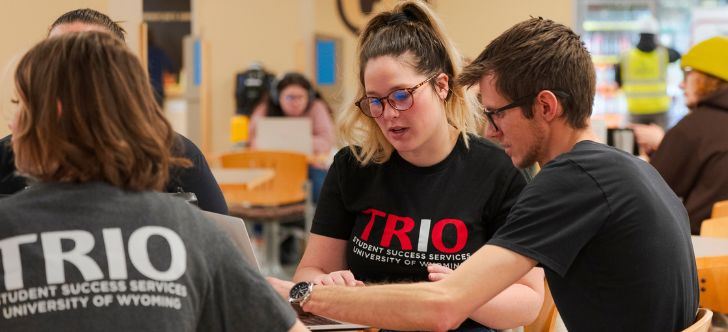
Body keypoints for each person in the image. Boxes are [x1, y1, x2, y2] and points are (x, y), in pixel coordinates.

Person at [288, 17, 698, 332]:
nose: (489, 130)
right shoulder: (623, 170)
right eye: (375, 102)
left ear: (545, 107)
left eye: (496, 113)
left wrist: (308, 296)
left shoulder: (568, 181)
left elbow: (445, 306)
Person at [0, 31, 305, 332]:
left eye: (20, 104)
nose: (12, 122)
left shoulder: (7, 227)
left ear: (53, 114)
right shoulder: (186, 227)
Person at [288, 2, 542, 331]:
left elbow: (527, 301)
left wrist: (461, 294)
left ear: (441, 85)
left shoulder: (499, 170)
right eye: (375, 101)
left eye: (401, 95)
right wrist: (326, 283)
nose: (389, 114)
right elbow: (305, 277)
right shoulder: (353, 166)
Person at [0, 8, 228, 215]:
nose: (66, 73)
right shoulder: (10, 153)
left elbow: (224, 249)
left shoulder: (176, 156)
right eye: (54, 58)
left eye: (86, 61)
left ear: (117, 73)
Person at [641, 36, 728, 234]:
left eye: (687, 73)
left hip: (704, 253)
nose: (681, 84)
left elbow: (646, 196)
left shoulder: (692, 128)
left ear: (707, 77)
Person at [248, 72, 336, 204]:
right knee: (257, 188)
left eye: (301, 97)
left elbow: (326, 142)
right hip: (273, 167)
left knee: (322, 185)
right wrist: (299, 143)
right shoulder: (265, 109)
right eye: (290, 97)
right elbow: (253, 142)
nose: (296, 102)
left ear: (309, 97)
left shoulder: (317, 107)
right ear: (278, 97)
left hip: (309, 166)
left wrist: (281, 142)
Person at [615, 15, 680, 129]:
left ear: (638, 34)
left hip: (635, 109)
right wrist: (659, 44)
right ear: (655, 35)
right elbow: (678, 54)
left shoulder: (626, 56)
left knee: (633, 145)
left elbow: (618, 82)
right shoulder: (663, 54)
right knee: (660, 143)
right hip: (659, 109)